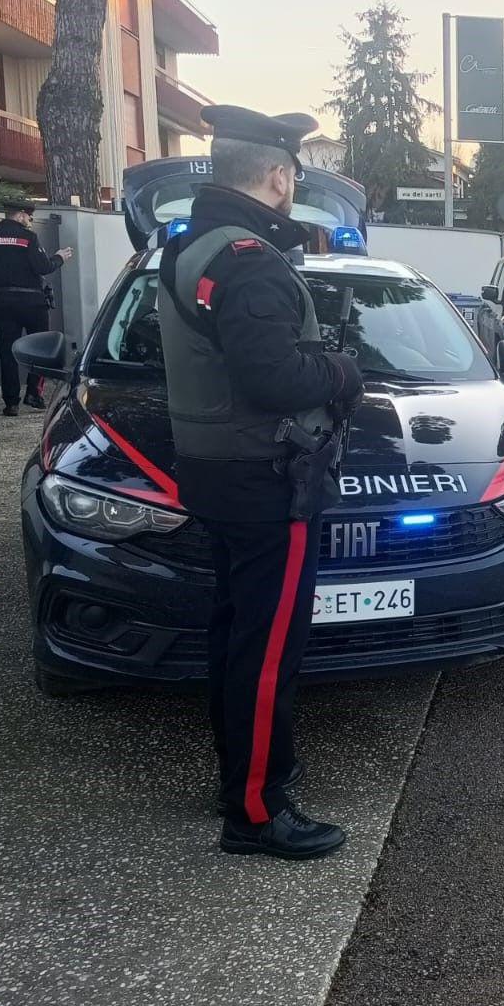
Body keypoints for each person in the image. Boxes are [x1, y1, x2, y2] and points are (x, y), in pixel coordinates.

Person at [158, 104, 363, 860]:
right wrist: (344, 370)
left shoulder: (197, 244)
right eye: (292, 177)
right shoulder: (247, 258)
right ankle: (256, 811)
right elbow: (274, 375)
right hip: (266, 475)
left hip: (225, 471)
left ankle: (244, 780)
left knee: (240, 636)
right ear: (278, 175)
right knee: (270, 647)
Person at [0, 201, 73, 416]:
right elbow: (43, 267)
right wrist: (59, 258)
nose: (29, 221)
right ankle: (34, 395)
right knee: (40, 349)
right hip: (31, 302)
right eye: (29, 217)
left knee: (6, 350)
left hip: (1, 300)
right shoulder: (28, 238)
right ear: (19, 216)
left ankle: (11, 402)